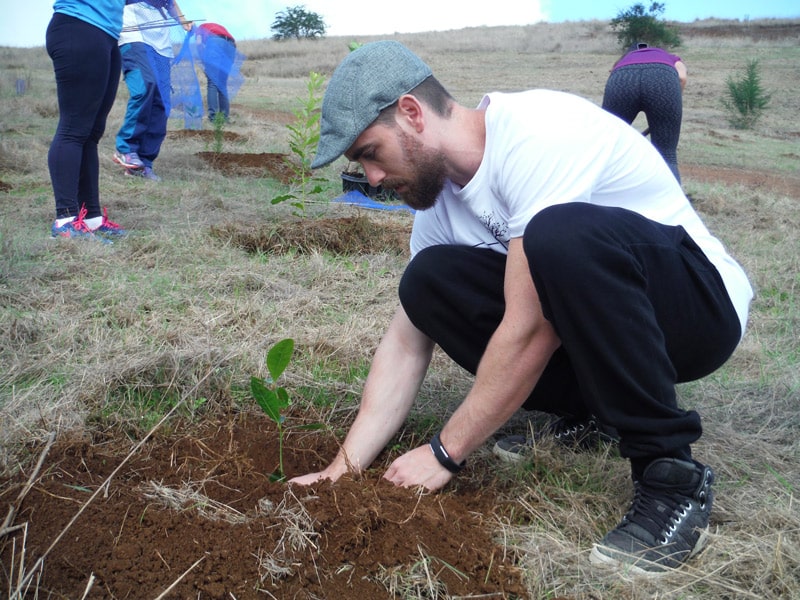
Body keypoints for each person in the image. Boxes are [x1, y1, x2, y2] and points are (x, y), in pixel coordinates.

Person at [290, 41, 753, 575]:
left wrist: (445, 451)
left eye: (369, 153)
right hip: (614, 324)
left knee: (556, 237)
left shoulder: (538, 131)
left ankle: (671, 477)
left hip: (697, 308)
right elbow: (404, 342)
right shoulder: (440, 210)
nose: (370, 178)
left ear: (411, 114)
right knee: (428, 281)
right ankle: (596, 413)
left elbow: (529, 328)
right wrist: (341, 470)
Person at [47, 0, 128, 241]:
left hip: (106, 34)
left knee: (91, 133)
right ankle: (66, 220)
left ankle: (91, 218)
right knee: (73, 129)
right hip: (80, 26)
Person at [112, 0, 191, 181]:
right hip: (133, 32)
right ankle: (126, 148)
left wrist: (183, 20)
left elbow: (170, 2)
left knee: (162, 102)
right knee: (145, 85)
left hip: (161, 40)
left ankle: (143, 163)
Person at [602, 42, 687, 183]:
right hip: (662, 76)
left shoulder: (624, 60)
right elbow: (682, 77)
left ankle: (596, 197)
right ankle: (671, 201)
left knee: (606, 148)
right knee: (666, 152)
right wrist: (671, 105)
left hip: (623, 76)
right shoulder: (671, 57)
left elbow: (612, 76)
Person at [195, 22, 237, 124]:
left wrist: (204, 60)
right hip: (231, 45)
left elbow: (199, 43)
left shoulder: (199, 29)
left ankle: (213, 118)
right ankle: (225, 118)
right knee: (222, 84)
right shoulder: (219, 26)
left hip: (216, 42)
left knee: (212, 82)